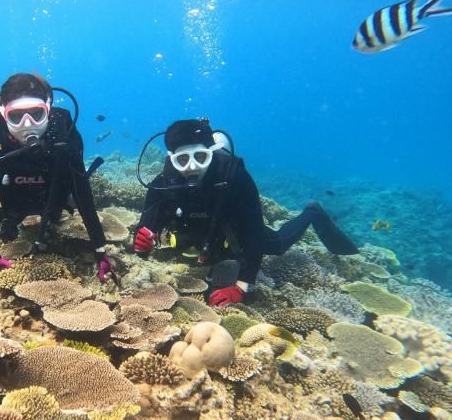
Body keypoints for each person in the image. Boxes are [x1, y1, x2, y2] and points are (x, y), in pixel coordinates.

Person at [133, 118, 358, 306]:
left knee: (277, 244)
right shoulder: (164, 182)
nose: (192, 167)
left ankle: (312, 211)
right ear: (172, 159)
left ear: (211, 153)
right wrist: (144, 236)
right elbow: (150, 216)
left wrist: (241, 286)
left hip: (232, 227)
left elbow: (254, 234)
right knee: (196, 248)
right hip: (195, 229)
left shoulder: (236, 178)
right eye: (182, 159)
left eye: (200, 157)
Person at [0, 73, 117, 284]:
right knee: (6, 220)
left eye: (37, 114)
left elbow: (82, 191)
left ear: (48, 110)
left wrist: (100, 250)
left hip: (54, 202)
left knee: (69, 201)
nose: (28, 124)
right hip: (8, 210)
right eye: (16, 116)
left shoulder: (63, 134)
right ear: (3, 115)